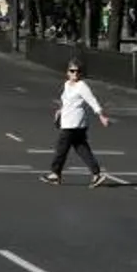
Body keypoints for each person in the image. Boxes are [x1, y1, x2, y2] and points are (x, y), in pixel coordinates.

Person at [44, 59, 109, 187]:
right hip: (69, 121)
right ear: (67, 72)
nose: (75, 74)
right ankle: (97, 174)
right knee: (82, 149)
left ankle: (55, 174)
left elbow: (92, 101)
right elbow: (66, 101)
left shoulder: (82, 86)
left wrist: (102, 116)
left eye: (78, 71)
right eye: (72, 71)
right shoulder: (67, 84)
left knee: (61, 149)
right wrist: (60, 110)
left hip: (74, 123)